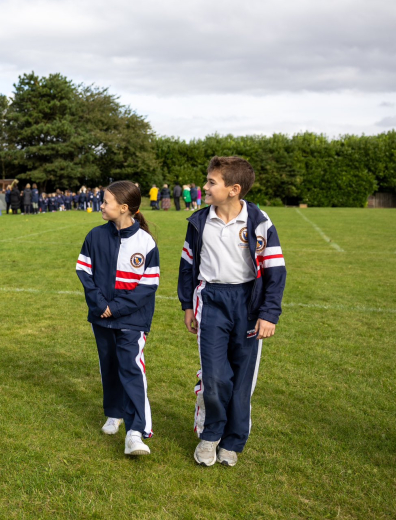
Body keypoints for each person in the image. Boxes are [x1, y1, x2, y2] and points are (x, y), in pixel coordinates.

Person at [178, 156, 286, 467]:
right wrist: (187, 305)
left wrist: (269, 313)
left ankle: (233, 440)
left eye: (212, 182)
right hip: (211, 300)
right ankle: (211, 434)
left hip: (248, 303)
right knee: (214, 376)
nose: (204, 187)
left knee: (242, 378)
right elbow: (187, 267)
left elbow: (276, 270)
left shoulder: (259, 222)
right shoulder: (199, 222)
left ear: (234, 189)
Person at [76, 181, 159, 456]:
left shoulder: (146, 242)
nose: (101, 205)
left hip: (132, 320)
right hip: (101, 316)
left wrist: (118, 307)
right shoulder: (95, 236)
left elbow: (148, 285)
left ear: (124, 208)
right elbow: (84, 272)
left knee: (131, 370)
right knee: (108, 366)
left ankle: (136, 433)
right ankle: (114, 413)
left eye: (106, 201)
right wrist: (101, 304)